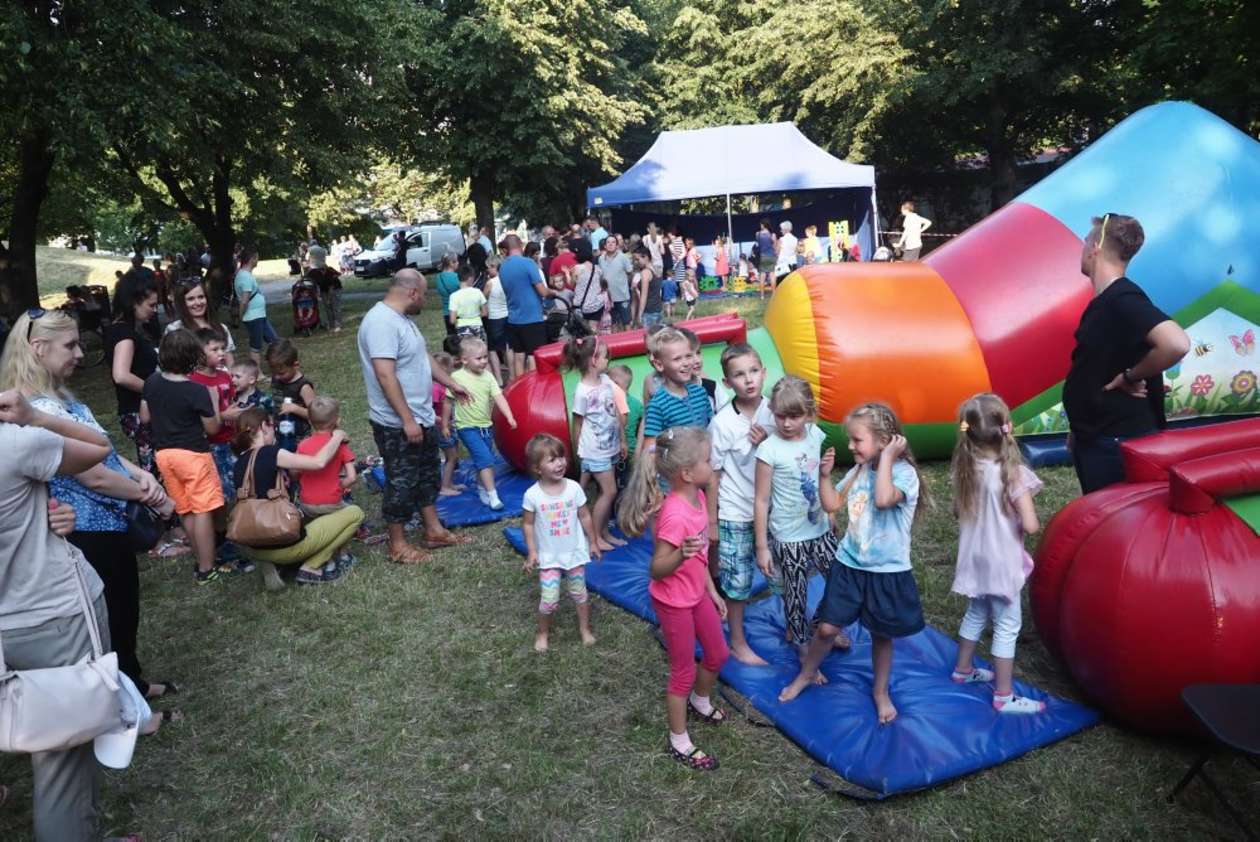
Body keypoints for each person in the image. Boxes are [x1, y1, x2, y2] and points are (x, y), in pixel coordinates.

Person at [1, 310, 177, 701]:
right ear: (38, 348)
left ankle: (133, 685)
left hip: (106, 522)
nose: (80, 353)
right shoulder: (32, 410)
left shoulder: (55, 398)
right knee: (111, 618)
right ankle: (123, 703)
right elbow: (92, 475)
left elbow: (103, 449)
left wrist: (135, 473)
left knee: (123, 610)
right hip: (87, 527)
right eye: (70, 345)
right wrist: (150, 494)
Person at [0, 386, 120, 841]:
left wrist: (41, 519)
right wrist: (34, 416)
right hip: (50, 615)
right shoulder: (14, 442)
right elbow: (98, 447)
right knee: (62, 767)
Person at [778, 402, 928, 726]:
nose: (850, 446)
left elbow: (883, 499)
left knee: (881, 635)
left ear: (884, 440)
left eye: (857, 440)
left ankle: (880, 691)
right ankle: (806, 674)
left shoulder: (904, 474)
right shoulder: (858, 470)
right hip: (849, 564)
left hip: (887, 571)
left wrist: (887, 459)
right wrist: (823, 476)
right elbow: (832, 502)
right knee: (828, 628)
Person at [618, 426, 729, 771]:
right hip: (674, 603)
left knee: (717, 653)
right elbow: (657, 568)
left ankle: (700, 699)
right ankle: (679, 740)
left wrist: (712, 591)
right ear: (686, 473)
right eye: (707, 460)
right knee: (682, 670)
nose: (712, 464)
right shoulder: (674, 514)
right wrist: (680, 554)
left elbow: (697, 559)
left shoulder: (695, 498)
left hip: (697, 594)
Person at [1062, 213, 1189, 493]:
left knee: (1116, 526)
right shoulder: (1108, 301)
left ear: (1095, 247)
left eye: (1085, 242)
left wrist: (1132, 375)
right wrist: (1080, 427)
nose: (1082, 249)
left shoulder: (1122, 298)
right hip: (1098, 435)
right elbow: (1097, 368)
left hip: (1117, 441)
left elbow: (1175, 343)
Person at [358, 269, 472, 564]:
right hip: (397, 423)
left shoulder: (403, 320)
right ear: (412, 293)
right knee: (401, 481)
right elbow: (385, 375)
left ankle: (433, 530)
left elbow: (422, 357)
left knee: (426, 474)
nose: (425, 300)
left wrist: (452, 384)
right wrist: (407, 420)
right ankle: (397, 544)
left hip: (418, 416)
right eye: (423, 294)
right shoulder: (381, 323)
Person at [949, 393, 1046, 714]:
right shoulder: (1012, 473)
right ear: (1007, 426)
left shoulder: (966, 467)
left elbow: (956, 511)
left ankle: (962, 670)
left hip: (974, 558)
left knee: (976, 611)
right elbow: (1031, 525)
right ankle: (1003, 696)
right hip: (1001, 562)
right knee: (1007, 625)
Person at [231, 408, 363, 588]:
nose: (275, 432)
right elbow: (318, 462)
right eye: (273, 426)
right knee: (355, 513)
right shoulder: (271, 453)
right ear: (263, 427)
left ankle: (275, 565)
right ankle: (312, 566)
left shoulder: (239, 464)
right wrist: (337, 437)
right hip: (284, 542)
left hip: (256, 547)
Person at [753, 376, 838, 649]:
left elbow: (820, 475)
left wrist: (830, 510)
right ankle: (801, 643)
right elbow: (761, 499)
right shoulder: (769, 450)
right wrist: (762, 547)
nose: (787, 423)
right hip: (789, 536)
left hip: (820, 528)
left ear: (809, 413)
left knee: (841, 581)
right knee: (796, 592)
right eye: (780, 416)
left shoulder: (816, 434)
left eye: (795, 416)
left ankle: (822, 625)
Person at [708, 343, 775, 665]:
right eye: (739, 375)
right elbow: (713, 475)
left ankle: (798, 628)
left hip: (775, 509)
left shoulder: (776, 411)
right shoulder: (722, 424)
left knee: (784, 569)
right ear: (727, 383)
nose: (748, 380)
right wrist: (712, 520)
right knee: (737, 582)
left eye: (753, 371)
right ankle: (737, 641)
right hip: (736, 512)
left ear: (764, 372)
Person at [142, 329, 226, 584]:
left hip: (164, 455)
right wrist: (213, 403)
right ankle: (207, 568)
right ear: (193, 357)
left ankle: (201, 559)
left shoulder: (152, 382)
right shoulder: (197, 390)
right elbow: (213, 429)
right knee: (203, 509)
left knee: (186, 508)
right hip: (193, 455)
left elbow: (145, 417)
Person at [521, 433, 601, 652]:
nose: (560, 463)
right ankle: (542, 632)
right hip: (549, 556)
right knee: (549, 600)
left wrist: (593, 542)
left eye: (561, 457)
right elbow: (528, 525)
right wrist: (532, 551)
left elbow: (585, 516)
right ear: (538, 468)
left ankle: (585, 629)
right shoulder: (532, 495)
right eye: (552, 460)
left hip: (574, 553)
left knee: (579, 593)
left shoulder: (574, 488)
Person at [190, 327, 249, 572]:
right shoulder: (194, 382)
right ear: (199, 353)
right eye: (214, 349)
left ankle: (239, 535)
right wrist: (226, 415)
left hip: (232, 442)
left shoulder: (225, 376)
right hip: (212, 447)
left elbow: (231, 401)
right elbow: (202, 419)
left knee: (237, 488)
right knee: (220, 496)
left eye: (222, 348)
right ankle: (223, 541)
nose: (221, 353)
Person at [564, 335, 627, 551]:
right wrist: (578, 452)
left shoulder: (606, 381)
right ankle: (595, 538)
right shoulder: (582, 392)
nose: (608, 361)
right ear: (593, 360)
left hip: (609, 446)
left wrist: (622, 439)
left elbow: (615, 412)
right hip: (594, 451)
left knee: (605, 492)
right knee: (609, 492)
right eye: (605, 357)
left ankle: (604, 532)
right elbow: (577, 424)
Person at [451, 336, 518, 510]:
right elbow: (446, 401)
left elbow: (499, 397)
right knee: (486, 460)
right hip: (466, 427)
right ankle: (493, 495)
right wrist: (444, 423)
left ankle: (482, 488)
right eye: (478, 358)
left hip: (485, 427)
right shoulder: (456, 377)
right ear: (464, 360)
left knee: (484, 461)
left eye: (485, 357)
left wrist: (509, 416)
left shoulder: (488, 377)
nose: (483, 361)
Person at [294, 396, 358, 567]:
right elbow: (351, 477)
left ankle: (326, 560)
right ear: (337, 421)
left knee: (318, 527)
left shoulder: (302, 445)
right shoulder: (340, 446)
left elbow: (296, 472)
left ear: (310, 420)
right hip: (331, 501)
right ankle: (343, 554)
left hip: (306, 503)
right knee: (347, 520)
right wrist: (339, 486)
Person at [106, 277, 161, 476]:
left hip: (141, 409)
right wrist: (156, 389)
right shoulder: (124, 333)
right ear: (133, 302)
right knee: (155, 468)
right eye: (151, 305)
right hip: (137, 412)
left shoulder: (128, 330)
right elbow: (121, 375)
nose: (155, 310)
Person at [641, 326, 713, 451]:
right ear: (659, 365)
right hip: (677, 468)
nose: (686, 363)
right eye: (677, 359)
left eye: (688, 356)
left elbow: (712, 428)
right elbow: (650, 450)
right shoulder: (658, 405)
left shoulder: (701, 393)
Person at [499, 234, 552, 379]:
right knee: (534, 355)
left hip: (514, 318)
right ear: (521, 245)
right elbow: (542, 291)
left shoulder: (503, 267)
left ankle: (520, 386)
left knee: (518, 355)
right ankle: (533, 386)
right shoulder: (528, 263)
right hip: (532, 318)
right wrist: (551, 292)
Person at [167, 278, 237, 368]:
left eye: (201, 297)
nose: (198, 302)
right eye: (190, 299)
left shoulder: (221, 328)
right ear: (182, 302)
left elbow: (229, 363)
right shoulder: (174, 329)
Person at [267, 338, 315, 452]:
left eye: (281, 373)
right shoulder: (277, 379)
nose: (277, 377)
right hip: (280, 434)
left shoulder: (303, 387)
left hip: (300, 438)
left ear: (296, 365)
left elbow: (316, 415)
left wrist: (295, 409)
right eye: (273, 373)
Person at [235, 245, 277, 366]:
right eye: (257, 258)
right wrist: (241, 316)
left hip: (259, 315)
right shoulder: (245, 276)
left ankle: (278, 364)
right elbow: (244, 300)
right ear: (252, 259)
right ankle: (257, 373)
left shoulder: (245, 274)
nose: (258, 260)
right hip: (253, 317)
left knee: (274, 341)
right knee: (256, 346)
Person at [433, 351, 464, 497]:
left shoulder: (441, 387)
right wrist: (443, 422)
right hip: (441, 429)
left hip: (447, 427)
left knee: (454, 456)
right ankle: (444, 486)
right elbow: (428, 412)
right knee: (451, 457)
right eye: (449, 369)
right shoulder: (435, 388)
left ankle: (449, 483)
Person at [608, 363, 643, 476]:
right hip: (628, 451)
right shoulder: (637, 404)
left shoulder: (609, 403)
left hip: (622, 452)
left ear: (616, 384)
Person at [482, 257, 510, 385]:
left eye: (488, 267)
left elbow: (482, 298)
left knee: (492, 349)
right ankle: (512, 374)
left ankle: (498, 380)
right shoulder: (507, 280)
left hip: (494, 318)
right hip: (507, 316)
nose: (487, 270)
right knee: (507, 348)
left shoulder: (490, 283)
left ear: (494, 267)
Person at [598, 234, 633, 331]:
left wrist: (624, 284)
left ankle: (628, 343)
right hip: (608, 298)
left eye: (613, 242)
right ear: (604, 246)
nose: (610, 244)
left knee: (626, 322)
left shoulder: (623, 257)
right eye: (608, 242)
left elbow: (630, 272)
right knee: (612, 323)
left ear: (617, 245)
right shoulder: (601, 259)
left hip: (622, 296)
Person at [570, 238, 605, 334]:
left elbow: (572, 285)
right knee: (593, 330)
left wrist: (566, 273)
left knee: (583, 333)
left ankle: (587, 348)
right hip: (596, 304)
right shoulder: (598, 269)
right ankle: (595, 346)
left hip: (582, 306)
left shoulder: (577, 268)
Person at [306, 244, 344, 333]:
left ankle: (338, 324)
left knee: (334, 306)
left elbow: (331, 285)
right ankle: (331, 324)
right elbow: (309, 280)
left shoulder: (327, 271)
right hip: (324, 290)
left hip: (334, 289)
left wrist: (329, 297)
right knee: (327, 307)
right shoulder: (313, 271)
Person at [448, 263, 488, 342]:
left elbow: (452, 320)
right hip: (477, 325)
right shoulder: (478, 292)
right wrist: (475, 315)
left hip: (462, 327)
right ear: (470, 278)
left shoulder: (454, 296)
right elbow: (485, 313)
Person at [632, 246, 662, 329]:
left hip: (648, 312)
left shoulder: (645, 272)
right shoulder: (656, 269)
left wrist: (640, 315)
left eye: (637, 259)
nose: (635, 262)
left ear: (645, 257)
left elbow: (644, 296)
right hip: (658, 309)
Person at [434, 255, 462, 337]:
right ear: (451, 263)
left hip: (447, 311)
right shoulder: (457, 277)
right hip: (460, 310)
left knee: (451, 336)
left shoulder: (438, 277)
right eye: (456, 261)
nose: (458, 263)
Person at [755, 219, 778, 298]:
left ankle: (762, 295)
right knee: (772, 275)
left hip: (763, 256)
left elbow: (758, 244)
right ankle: (774, 294)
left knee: (762, 276)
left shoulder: (757, 234)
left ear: (763, 225)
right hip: (771, 256)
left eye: (761, 224)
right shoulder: (773, 235)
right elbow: (775, 247)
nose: (760, 226)